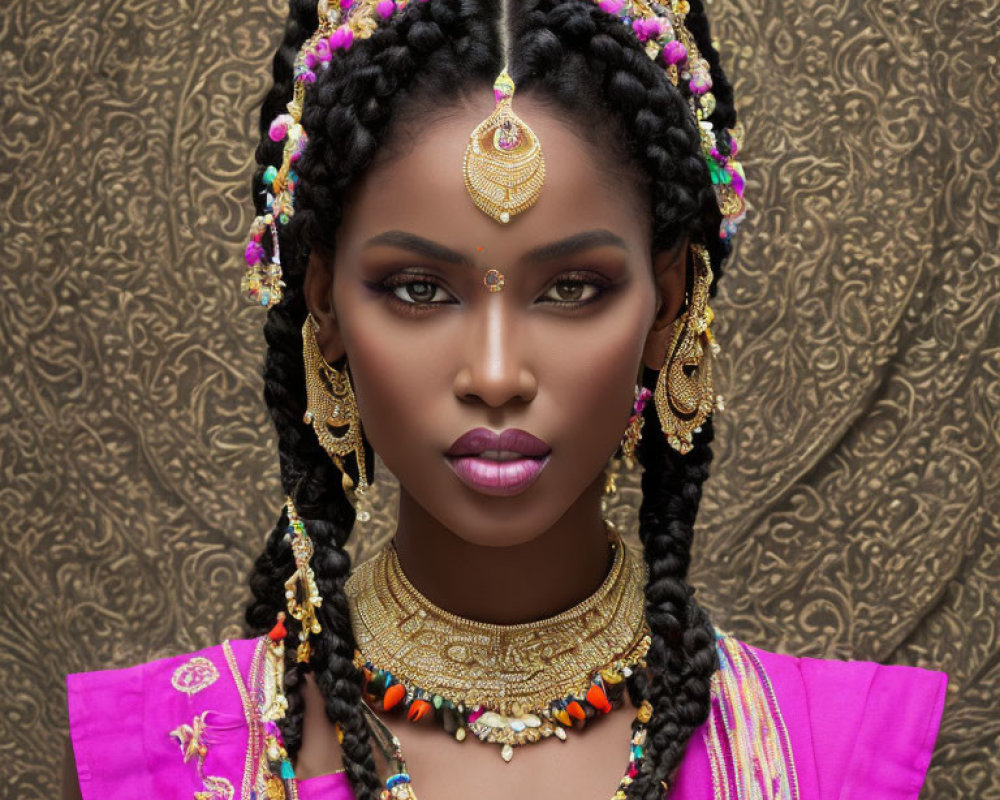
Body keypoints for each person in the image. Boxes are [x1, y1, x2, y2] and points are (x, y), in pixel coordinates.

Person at [62, 0, 948, 797]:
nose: (494, 374)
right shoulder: (161, 758)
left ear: (669, 304)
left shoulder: (836, 756)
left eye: (571, 289)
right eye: (417, 289)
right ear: (325, 304)